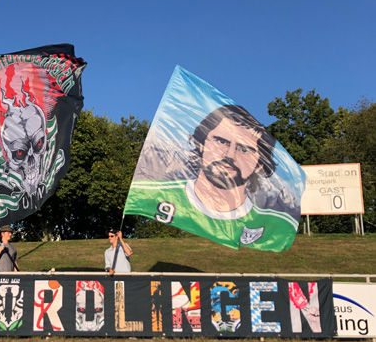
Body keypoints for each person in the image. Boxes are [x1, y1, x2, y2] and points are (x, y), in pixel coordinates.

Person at [124, 105, 300, 251]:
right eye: (221, 141)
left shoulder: (278, 223)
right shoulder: (149, 192)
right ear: (201, 144)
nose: (229, 154)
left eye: (244, 149)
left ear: (259, 164)